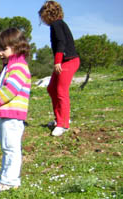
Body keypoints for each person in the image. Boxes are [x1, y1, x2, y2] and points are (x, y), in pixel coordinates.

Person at [0, 28, 31, 193]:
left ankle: (9, 181)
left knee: (10, 148)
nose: (0, 53)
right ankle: (8, 179)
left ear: (17, 46)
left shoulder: (17, 67)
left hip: (12, 115)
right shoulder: (11, 66)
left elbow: (9, 92)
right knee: (8, 147)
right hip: (7, 114)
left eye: (4, 49)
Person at [38, 1, 80, 137]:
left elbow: (61, 42)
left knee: (61, 91)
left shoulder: (57, 24)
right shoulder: (57, 24)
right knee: (51, 88)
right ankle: (60, 118)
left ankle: (63, 124)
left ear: (47, 14)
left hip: (68, 61)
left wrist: (57, 61)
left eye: (42, 16)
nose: (42, 20)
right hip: (64, 61)